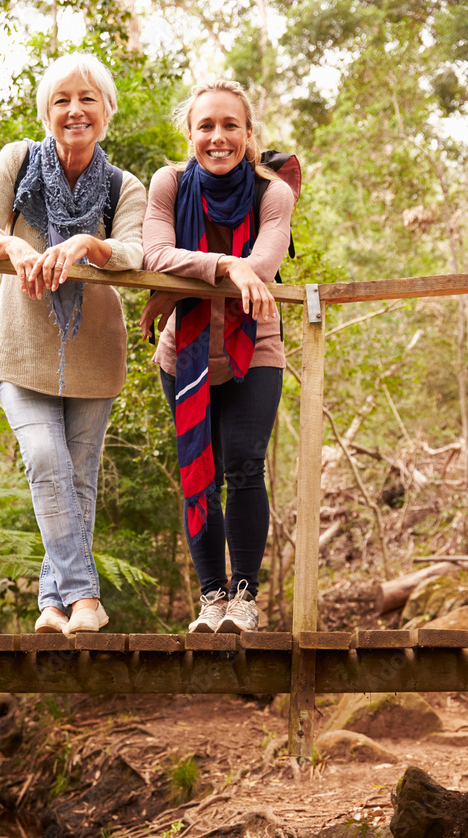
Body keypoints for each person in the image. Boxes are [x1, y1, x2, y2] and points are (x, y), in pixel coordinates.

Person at [0, 53, 146, 635]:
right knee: (46, 460)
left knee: (78, 475)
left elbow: (136, 252)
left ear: (107, 110)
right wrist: (14, 249)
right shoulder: (18, 161)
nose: (75, 110)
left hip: (94, 352)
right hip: (19, 344)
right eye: (62, 99)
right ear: (46, 111)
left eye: (88, 98)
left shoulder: (122, 185)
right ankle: (86, 599)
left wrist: (90, 242)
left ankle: (52, 601)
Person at [140, 80, 298, 634]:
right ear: (190, 133)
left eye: (230, 125)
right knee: (197, 473)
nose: (218, 136)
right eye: (205, 126)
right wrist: (227, 268)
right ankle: (211, 599)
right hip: (182, 350)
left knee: (244, 463)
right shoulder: (169, 183)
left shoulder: (271, 193)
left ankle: (244, 598)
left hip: (257, 346)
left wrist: (184, 283)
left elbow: (264, 261)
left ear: (249, 135)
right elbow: (155, 252)